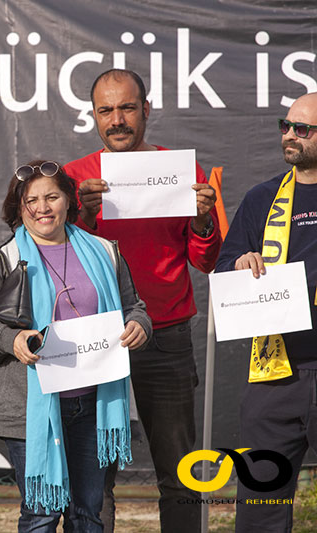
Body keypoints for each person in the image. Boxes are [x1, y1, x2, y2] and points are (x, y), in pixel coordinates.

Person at [0, 160, 150, 532]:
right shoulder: (2, 260)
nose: (42, 207)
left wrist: (139, 325)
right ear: (18, 207)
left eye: (52, 197)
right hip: (30, 408)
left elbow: (134, 307)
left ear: (68, 200)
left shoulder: (104, 251)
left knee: (88, 514)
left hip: (95, 404)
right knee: (41, 515)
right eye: (31, 200)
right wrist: (9, 339)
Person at [64, 69, 221, 533]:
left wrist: (202, 223)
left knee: (181, 472)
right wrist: (85, 218)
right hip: (96, 337)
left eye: (127, 108)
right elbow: (61, 265)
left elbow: (204, 260)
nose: (117, 119)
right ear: (92, 116)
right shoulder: (74, 179)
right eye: (106, 110)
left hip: (166, 333)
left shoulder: (181, 172)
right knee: (94, 478)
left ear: (146, 110)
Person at [215, 92, 317, 533]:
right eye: (286, 125)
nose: (290, 135)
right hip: (274, 371)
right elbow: (224, 271)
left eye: (303, 128)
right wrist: (239, 265)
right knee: (261, 502)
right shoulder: (263, 198)